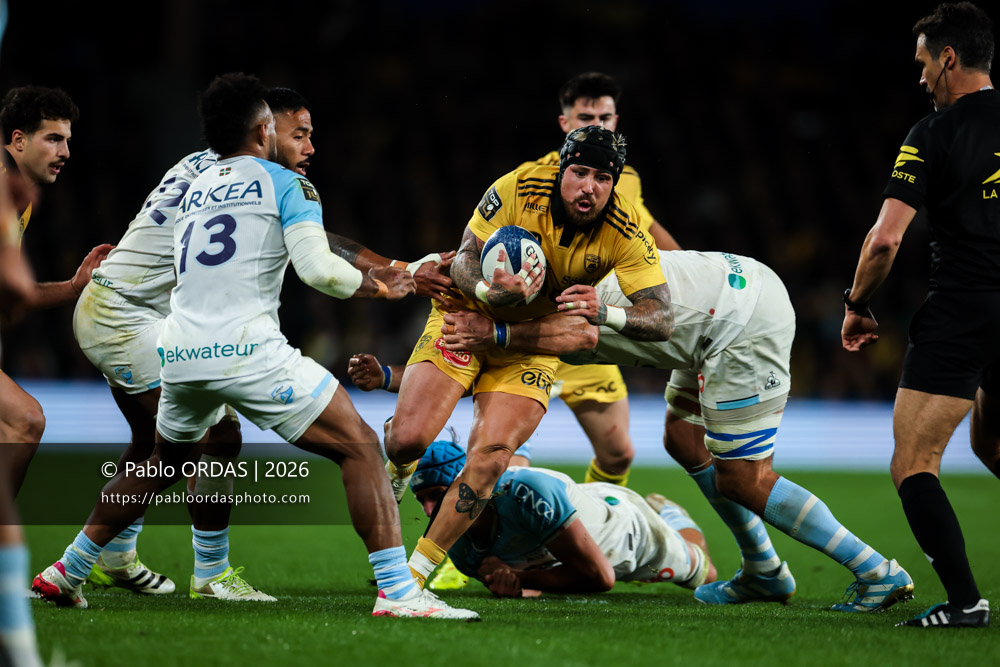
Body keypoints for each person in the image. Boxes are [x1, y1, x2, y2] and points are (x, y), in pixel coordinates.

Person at [31, 72, 477, 621]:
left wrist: (393, 266)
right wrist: (386, 283)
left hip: (175, 338)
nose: (310, 148)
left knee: (165, 456)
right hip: (154, 321)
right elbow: (317, 261)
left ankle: (74, 567)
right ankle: (390, 591)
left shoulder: (201, 178)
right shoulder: (281, 184)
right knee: (355, 445)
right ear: (265, 129)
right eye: (301, 134)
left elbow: (305, 237)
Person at [439, 246, 915, 612]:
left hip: (736, 323)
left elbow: (577, 334)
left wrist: (494, 334)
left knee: (743, 477)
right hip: (711, 311)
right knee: (683, 438)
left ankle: (877, 571)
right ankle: (764, 570)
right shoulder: (551, 271)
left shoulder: (552, 305)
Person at [385, 125, 674, 591]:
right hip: (465, 319)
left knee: (492, 458)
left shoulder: (624, 229)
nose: (589, 187)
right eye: (579, 172)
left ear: (614, 184)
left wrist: (608, 312)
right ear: (562, 168)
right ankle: (396, 466)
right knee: (407, 441)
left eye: (603, 178)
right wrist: (487, 290)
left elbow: (661, 317)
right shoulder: (517, 186)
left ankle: (409, 581)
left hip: (526, 344)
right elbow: (463, 258)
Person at [842, 2, 994, 628]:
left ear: (948, 58)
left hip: (967, 305)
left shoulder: (932, 133)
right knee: (992, 443)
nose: (921, 76)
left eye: (923, 62)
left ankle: (965, 603)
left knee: (913, 461)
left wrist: (857, 305)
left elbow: (884, 240)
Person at [518, 72, 682, 487]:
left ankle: (591, 532)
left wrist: (695, 267)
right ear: (564, 124)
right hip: (535, 335)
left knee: (618, 454)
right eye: (585, 116)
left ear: (616, 120)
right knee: (504, 456)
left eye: (605, 117)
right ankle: (478, 551)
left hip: (588, 332)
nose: (597, 125)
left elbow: (647, 235)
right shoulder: (533, 179)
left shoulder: (624, 179)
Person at [410, 439, 716, 597]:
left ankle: (672, 515)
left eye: (437, 495)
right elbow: (536, 586)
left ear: (467, 484)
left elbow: (600, 577)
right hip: (576, 513)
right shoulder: (460, 550)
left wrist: (518, 578)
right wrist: (508, 585)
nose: (428, 511)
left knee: (706, 573)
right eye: (421, 499)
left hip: (627, 532)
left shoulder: (526, 492)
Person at [0, 85, 112, 492]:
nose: (65, 152)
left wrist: (72, 286)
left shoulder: (21, 201)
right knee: (25, 420)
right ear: (18, 140)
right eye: (53, 139)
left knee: (23, 421)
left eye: (67, 141)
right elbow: (16, 292)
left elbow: (14, 294)